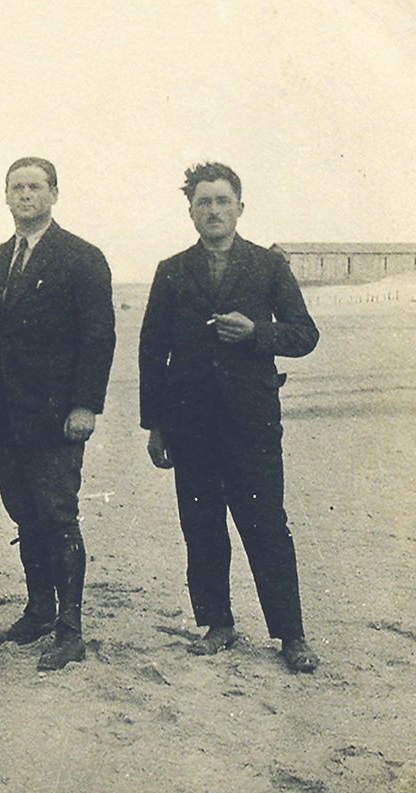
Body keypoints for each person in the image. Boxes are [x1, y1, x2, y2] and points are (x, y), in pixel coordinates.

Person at [139, 161, 320, 673]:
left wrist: (258, 332)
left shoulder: (268, 266)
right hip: (189, 422)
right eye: (203, 202)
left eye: (222, 201)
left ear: (241, 207)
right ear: (190, 212)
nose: (213, 210)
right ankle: (218, 624)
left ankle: (291, 636)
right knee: (201, 525)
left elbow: (304, 334)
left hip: (251, 422)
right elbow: (152, 350)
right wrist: (155, 424)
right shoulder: (171, 269)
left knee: (266, 526)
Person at [0, 157, 116, 671]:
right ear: (5, 196)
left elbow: (98, 339)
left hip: (56, 418)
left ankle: (70, 628)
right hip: (5, 417)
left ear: (54, 194)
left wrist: (84, 406)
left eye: (35, 186)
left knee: (56, 514)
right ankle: (38, 612)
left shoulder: (82, 257)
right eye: (16, 187)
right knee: (23, 514)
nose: (25, 195)